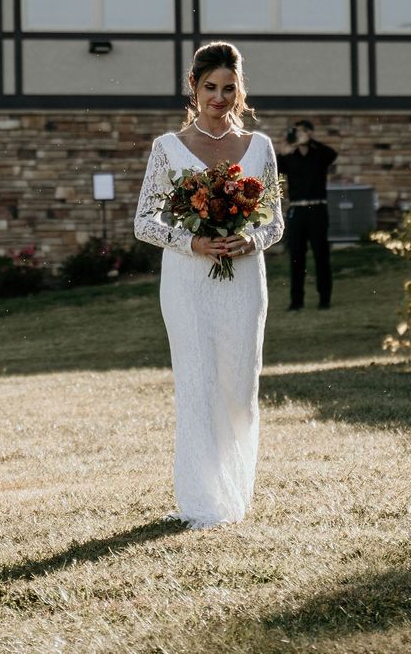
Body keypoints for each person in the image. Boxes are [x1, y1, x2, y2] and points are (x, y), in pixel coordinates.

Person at [132, 40, 285, 529]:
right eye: (210, 87)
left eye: (228, 88)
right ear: (193, 89)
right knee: (197, 384)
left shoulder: (260, 148)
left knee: (239, 386)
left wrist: (250, 240)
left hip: (243, 278)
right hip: (188, 280)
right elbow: (143, 222)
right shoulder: (167, 149)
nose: (219, 97)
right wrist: (192, 243)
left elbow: (276, 222)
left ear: (241, 92)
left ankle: (234, 490)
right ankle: (201, 502)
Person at [277, 120, 339, 311]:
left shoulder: (319, 154)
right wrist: (286, 148)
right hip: (297, 210)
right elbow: (274, 167)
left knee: (321, 255)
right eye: (297, 132)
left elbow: (332, 154)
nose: (300, 134)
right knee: (296, 256)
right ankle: (296, 302)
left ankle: (325, 299)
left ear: (311, 133)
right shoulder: (291, 155)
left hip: (317, 209)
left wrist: (312, 141)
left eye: (303, 131)